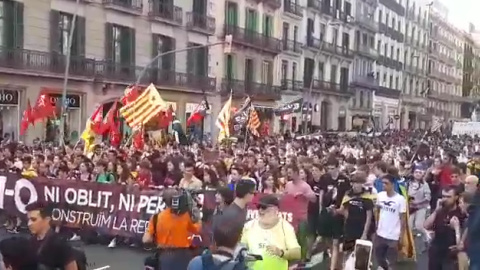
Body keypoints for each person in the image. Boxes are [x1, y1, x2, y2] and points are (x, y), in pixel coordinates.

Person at [142, 188, 202, 270]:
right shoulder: (186, 216)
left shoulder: (156, 217)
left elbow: (146, 239)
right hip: (183, 256)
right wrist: (196, 214)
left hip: (164, 255)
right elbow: (197, 230)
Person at [240, 195, 301, 270]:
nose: (261, 211)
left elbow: (297, 253)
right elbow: (242, 249)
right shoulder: (249, 226)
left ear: (276, 210)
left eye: (264, 207)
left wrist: (281, 253)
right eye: (259, 207)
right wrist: (246, 255)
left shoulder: (286, 227)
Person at [26, 202, 79, 270]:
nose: (29, 224)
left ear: (47, 220)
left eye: (33, 219)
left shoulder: (60, 244)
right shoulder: (30, 242)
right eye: (28, 220)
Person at [424, 185, 467, 270]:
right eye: (443, 196)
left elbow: (464, 235)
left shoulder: (461, 213)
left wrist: (456, 227)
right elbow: (426, 225)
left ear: (456, 197)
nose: (445, 199)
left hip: (451, 251)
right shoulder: (440, 211)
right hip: (436, 249)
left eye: (448, 197)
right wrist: (436, 210)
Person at [374, 174, 407, 270]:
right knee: (379, 257)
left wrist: (401, 235)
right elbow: (377, 210)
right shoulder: (380, 196)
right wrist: (376, 224)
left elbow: (403, 218)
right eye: (382, 183)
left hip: (393, 235)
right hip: (380, 232)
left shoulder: (400, 199)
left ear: (392, 184)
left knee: (391, 261)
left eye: (386, 183)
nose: (383, 185)